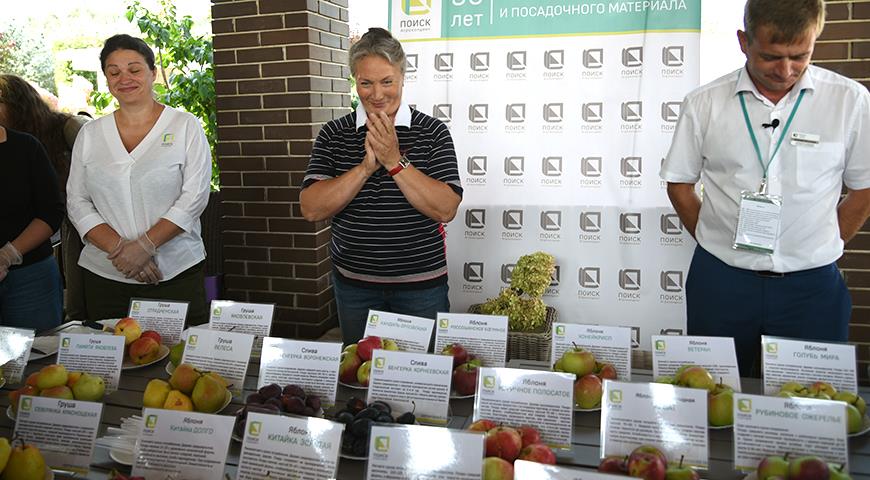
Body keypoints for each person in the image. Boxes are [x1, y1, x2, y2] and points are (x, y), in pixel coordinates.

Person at [661, 0, 870, 376]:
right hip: (722, 281)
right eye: (772, 57)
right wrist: (715, 237)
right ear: (744, 42)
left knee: (812, 408)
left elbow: (865, 188)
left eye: (800, 56)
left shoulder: (850, 101)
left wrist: (823, 239)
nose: (786, 70)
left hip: (812, 286)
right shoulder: (704, 103)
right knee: (711, 398)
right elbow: (679, 182)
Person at [300, 28, 463, 346]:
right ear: (355, 81)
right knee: (358, 381)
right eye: (366, 83)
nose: (376, 94)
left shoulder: (433, 132)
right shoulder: (334, 134)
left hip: (422, 289)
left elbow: (445, 207)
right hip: (354, 288)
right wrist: (364, 168)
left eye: (386, 81)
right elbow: (311, 207)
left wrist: (394, 161)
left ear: (403, 77)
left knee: (421, 378)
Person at [67, 34, 211, 325]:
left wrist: (146, 246)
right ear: (106, 79)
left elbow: (194, 196)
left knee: (181, 361)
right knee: (109, 365)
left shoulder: (184, 126)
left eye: (134, 69)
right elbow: (77, 201)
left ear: (153, 73)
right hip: (107, 274)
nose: (124, 78)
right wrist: (123, 252)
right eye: (114, 72)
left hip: (173, 272)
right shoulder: (91, 134)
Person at [0, 74, 90, 320]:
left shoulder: (30, 144)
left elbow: (51, 210)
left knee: (42, 351)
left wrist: (8, 255)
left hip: (33, 271)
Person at [0, 121, 65, 330]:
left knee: (39, 357)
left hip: (30, 278)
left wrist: (7, 255)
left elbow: (51, 212)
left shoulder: (26, 147)